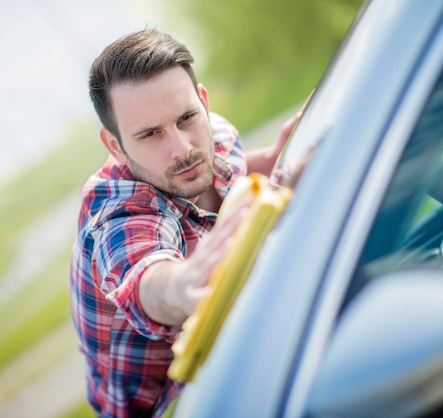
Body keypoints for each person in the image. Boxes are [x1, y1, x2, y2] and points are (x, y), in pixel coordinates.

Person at [69, 29, 304, 418]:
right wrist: (185, 283)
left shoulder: (214, 136)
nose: (182, 149)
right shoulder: (117, 214)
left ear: (203, 103)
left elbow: (233, 172)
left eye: (186, 117)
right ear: (115, 146)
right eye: (150, 134)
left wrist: (281, 157)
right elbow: (149, 279)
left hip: (236, 363)